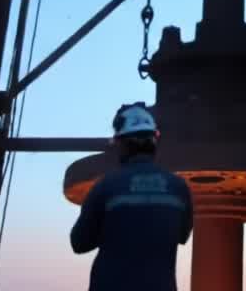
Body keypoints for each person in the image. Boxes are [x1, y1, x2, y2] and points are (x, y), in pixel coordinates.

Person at [70, 103, 193, 291]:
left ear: (120, 143)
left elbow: (79, 243)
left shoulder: (106, 186)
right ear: (155, 140)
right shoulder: (178, 188)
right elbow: (182, 235)